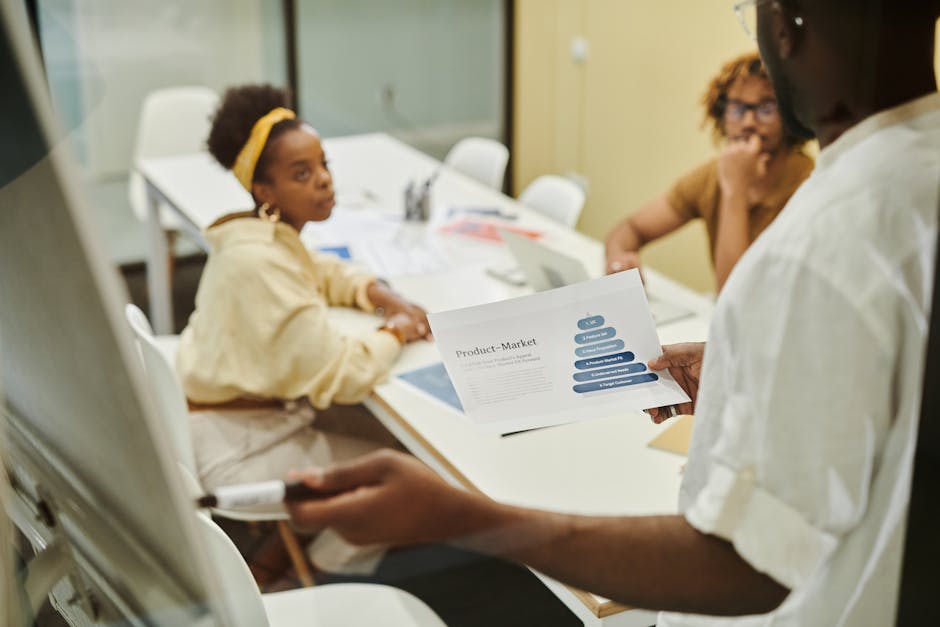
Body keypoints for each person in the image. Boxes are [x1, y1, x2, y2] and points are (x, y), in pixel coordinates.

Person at [286, 0, 940, 624]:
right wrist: (742, 366)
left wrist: (457, 517)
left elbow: (746, 562)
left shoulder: (816, 244)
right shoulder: (919, 177)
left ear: (786, 27)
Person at [176, 84, 431, 493]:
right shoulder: (259, 263)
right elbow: (345, 372)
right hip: (236, 444)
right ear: (265, 192)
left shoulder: (256, 234)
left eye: (323, 164)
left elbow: (317, 269)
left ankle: (286, 551)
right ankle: (282, 560)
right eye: (302, 173)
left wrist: (380, 294)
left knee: (388, 438)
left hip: (233, 412)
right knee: (401, 479)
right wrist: (397, 330)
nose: (325, 181)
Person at [605, 51, 814, 291]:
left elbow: (736, 295)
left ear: (789, 115)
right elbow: (630, 229)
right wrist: (618, 258)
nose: (747, 122)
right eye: (737, 108)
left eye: (766, 108)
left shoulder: (807, 185)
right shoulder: (714, 175)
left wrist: (735, 191)